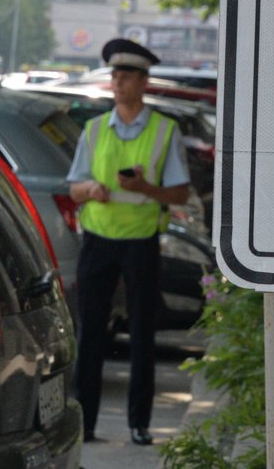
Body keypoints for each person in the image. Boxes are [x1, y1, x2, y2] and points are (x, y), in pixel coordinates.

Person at [67, 37, 191, 445]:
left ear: (144, 82)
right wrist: (91, 189)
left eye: (127, 77)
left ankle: (139, 423)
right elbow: (73, 189)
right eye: (115, 76)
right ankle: (84, 422)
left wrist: (146, 188)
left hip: (140, 243)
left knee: (142, 334)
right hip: (98, 241)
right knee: (90, 334)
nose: (119, 83)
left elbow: (180, 194)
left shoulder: (163, 131)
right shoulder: (94, 128)